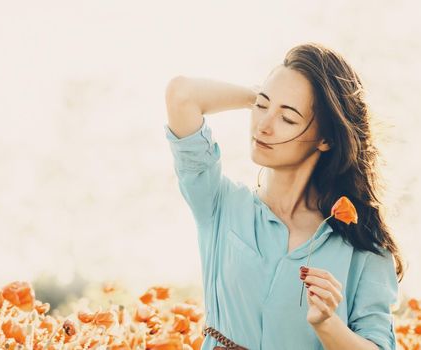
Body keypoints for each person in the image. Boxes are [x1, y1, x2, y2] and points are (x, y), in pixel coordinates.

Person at [163, 42, 405, 350]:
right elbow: (181, 95)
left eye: (287, 119)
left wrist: (327, 324)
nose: (263, 126)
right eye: (261, 108)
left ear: (326, 139)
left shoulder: (361, 244)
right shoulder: (218, 202)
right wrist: (266, 96)